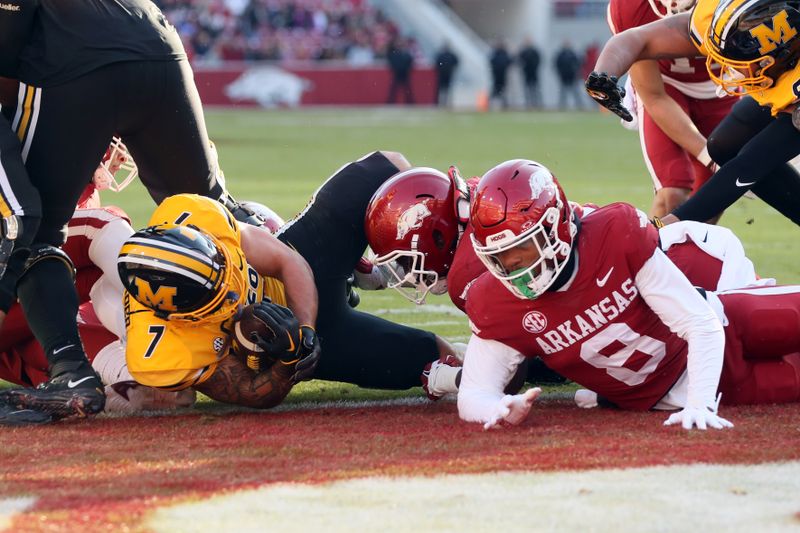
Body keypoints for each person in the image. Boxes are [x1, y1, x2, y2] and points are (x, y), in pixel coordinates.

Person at [0, 0, 247, 421]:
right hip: (154, 41)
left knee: (46, 239)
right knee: (210, 211)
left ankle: (83, 370)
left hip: (75, 66)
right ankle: (257, 325)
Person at [457, 159, 800, 431]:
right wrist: (495, 408)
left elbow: (700, 321)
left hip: (727, 327)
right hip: (693, 390)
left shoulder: (613, 234)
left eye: (522, 250)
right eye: (498, 258)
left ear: (555, 224)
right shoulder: (495, 304)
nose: (513, 267)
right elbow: (473, 393)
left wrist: (700, 404)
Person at [119, 152, 465, 409]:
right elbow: (249, 392)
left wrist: (306, 329)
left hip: (301, 271)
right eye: (219, 296)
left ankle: (462, 247)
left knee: (385, 169)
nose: (233, 290)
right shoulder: (160, 353)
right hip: (279, 346)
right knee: (435, 357)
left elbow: (287, 260)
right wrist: (290, 361)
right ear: (177, 314)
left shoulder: (191, 214)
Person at [586, 0, 800, 227]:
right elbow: (639, 38)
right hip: (783, 78)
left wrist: (661, 227)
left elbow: (748, 165)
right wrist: (603, 73)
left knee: (753, 158)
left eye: (740, 62)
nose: (733, 71)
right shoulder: (720, 14)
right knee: (723, 145)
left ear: (779, 55)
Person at [606, 0, 738, 219]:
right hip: (666, 84)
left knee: (711, 198)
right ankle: (650, 252)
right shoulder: (629, 7)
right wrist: (710, 157)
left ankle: (685, 253)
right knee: (673, 192)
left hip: (723, 85)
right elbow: (654, 96)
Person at [554, 41, 584, 110]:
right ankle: (562, 106)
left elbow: (578, 64)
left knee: (575, 92)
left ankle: (580, 106)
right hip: (564, 76)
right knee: (563, 92)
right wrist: (560, 73)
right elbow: (557, 64)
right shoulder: (561, 54)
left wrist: (576, 73)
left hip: (572, 77)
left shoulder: (572, 54)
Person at [386, 38, 415, 105]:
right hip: (397, 73)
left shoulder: (405, 52)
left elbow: (410, 61)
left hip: (404, 73)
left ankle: (410, 102)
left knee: (407, 90)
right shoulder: (393, 52)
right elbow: (393, 62)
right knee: (394, 90)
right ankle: (390, 103)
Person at [517, 39, 542, 109]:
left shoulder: (534, 51)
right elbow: (519, 61)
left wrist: (534, 67)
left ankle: (536, 104)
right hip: (526, 74)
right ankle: (528, 105)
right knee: (527, 91)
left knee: (535, 90)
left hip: (534, 74)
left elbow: (538, 61)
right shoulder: (523, 52)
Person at [434, 43, 460, 107]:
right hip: (447, 73)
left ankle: (443, 102)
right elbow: (456, 62)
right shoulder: (450, 55)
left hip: (443, 74)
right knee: (446, 89)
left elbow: (436, 63)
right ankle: (445, 102)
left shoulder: (442, 55)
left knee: (443, 89)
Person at [489, 41, 513, 109]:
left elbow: (510, 62)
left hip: (502, 76)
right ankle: (492, 104)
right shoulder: (496, 53)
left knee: (501, 92)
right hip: (497, 76)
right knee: (497, 91)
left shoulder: (502, 54)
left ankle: (504, 105)